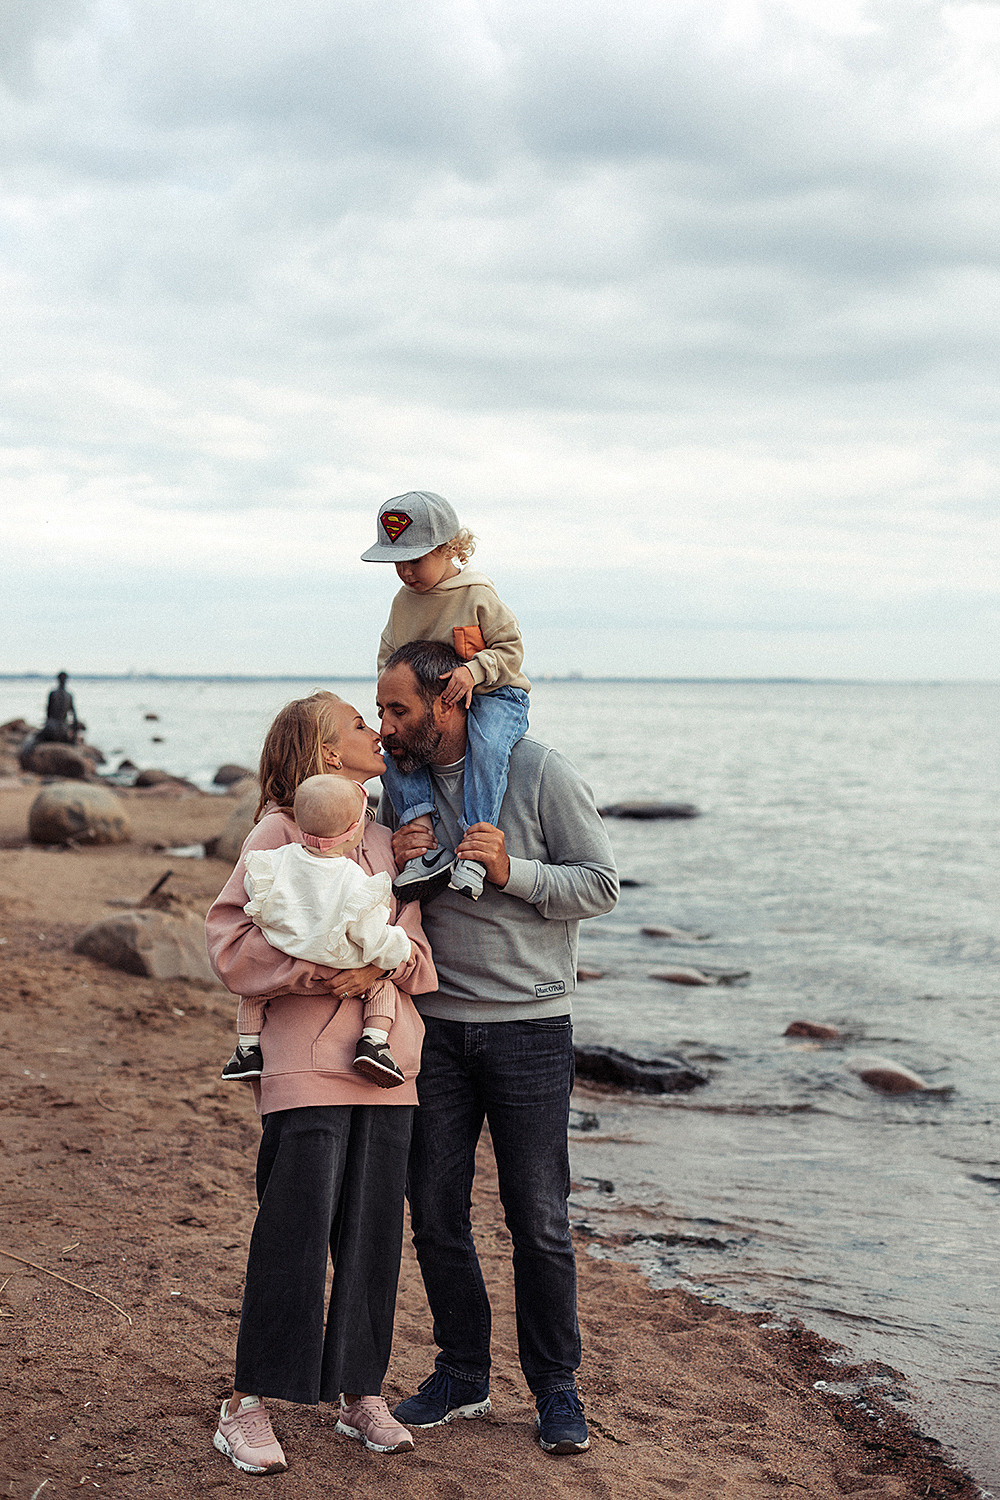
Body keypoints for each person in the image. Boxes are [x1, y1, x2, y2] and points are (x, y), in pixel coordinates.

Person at [374, 640, 619, 1456]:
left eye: (399, 709)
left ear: (451, 701)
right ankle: (463, 1374)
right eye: (379, 710)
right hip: (434, 1027)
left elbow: (600, 884)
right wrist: (389, 864)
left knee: (539, 1218)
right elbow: (352, 890)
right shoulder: (395, 792)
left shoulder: (538, 769)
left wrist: (515, 872)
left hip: (530, 1030)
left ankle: (556, 1389)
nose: (386, 727)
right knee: (435, 1210)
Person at [205, 691, 437, 1474]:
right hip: (307, 1065)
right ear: (328, 753)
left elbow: (415, 954)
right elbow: (231, 940)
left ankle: (358, 1392)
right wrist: (313, 968)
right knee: (293, 1233)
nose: (376, 732)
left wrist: (385, 961)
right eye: (359, 725)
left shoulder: (379, 840)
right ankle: (247, 1404)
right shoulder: (279, 834)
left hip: (387, 1064)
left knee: (373, 1238)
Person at [362, 491, 530, 904]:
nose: (404, 571)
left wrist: (475, 670)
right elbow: (389, 657)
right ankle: (422, 837)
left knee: (488, 747)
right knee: (395, 747)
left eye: (414, 560)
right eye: (396, 562)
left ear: (448, 548)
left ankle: (475, 846)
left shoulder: (477, 596)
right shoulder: (403, 604)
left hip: (495, 692)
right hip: (431, 708)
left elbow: (510, 649)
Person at [221, 774, 412, 1089]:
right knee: (381, 989)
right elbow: (369, 933)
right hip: (338, 962)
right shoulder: (355, 880)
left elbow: (254, 892)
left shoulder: (276, 862)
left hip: (286, 955)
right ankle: (374, 1043)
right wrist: (396, 949)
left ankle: (247, 1049)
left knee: (254, 995)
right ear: (353, 833)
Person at [38, 672, 80, 744]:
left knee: (36, 738)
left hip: (52, 726)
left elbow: (48, 712)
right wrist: (74, 731)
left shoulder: (53, 693)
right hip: (63, 728)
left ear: (58, 680)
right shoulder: (69, 696)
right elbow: (74, 716)